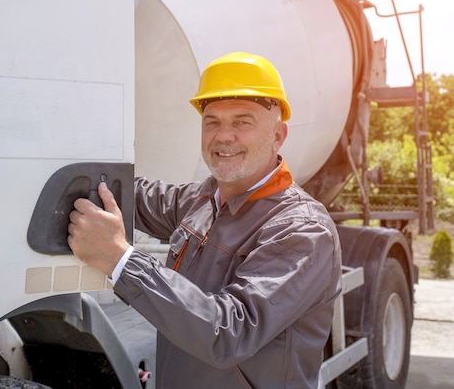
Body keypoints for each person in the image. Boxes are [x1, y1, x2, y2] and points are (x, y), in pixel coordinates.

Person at [67, 51, 342, 388]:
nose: (224, 136)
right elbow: (129, 195)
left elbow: (230, 333)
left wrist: (121, 261)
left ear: (277, 136)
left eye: (242, 121)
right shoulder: (200, 201)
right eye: (212, 122)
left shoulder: (301, 229)